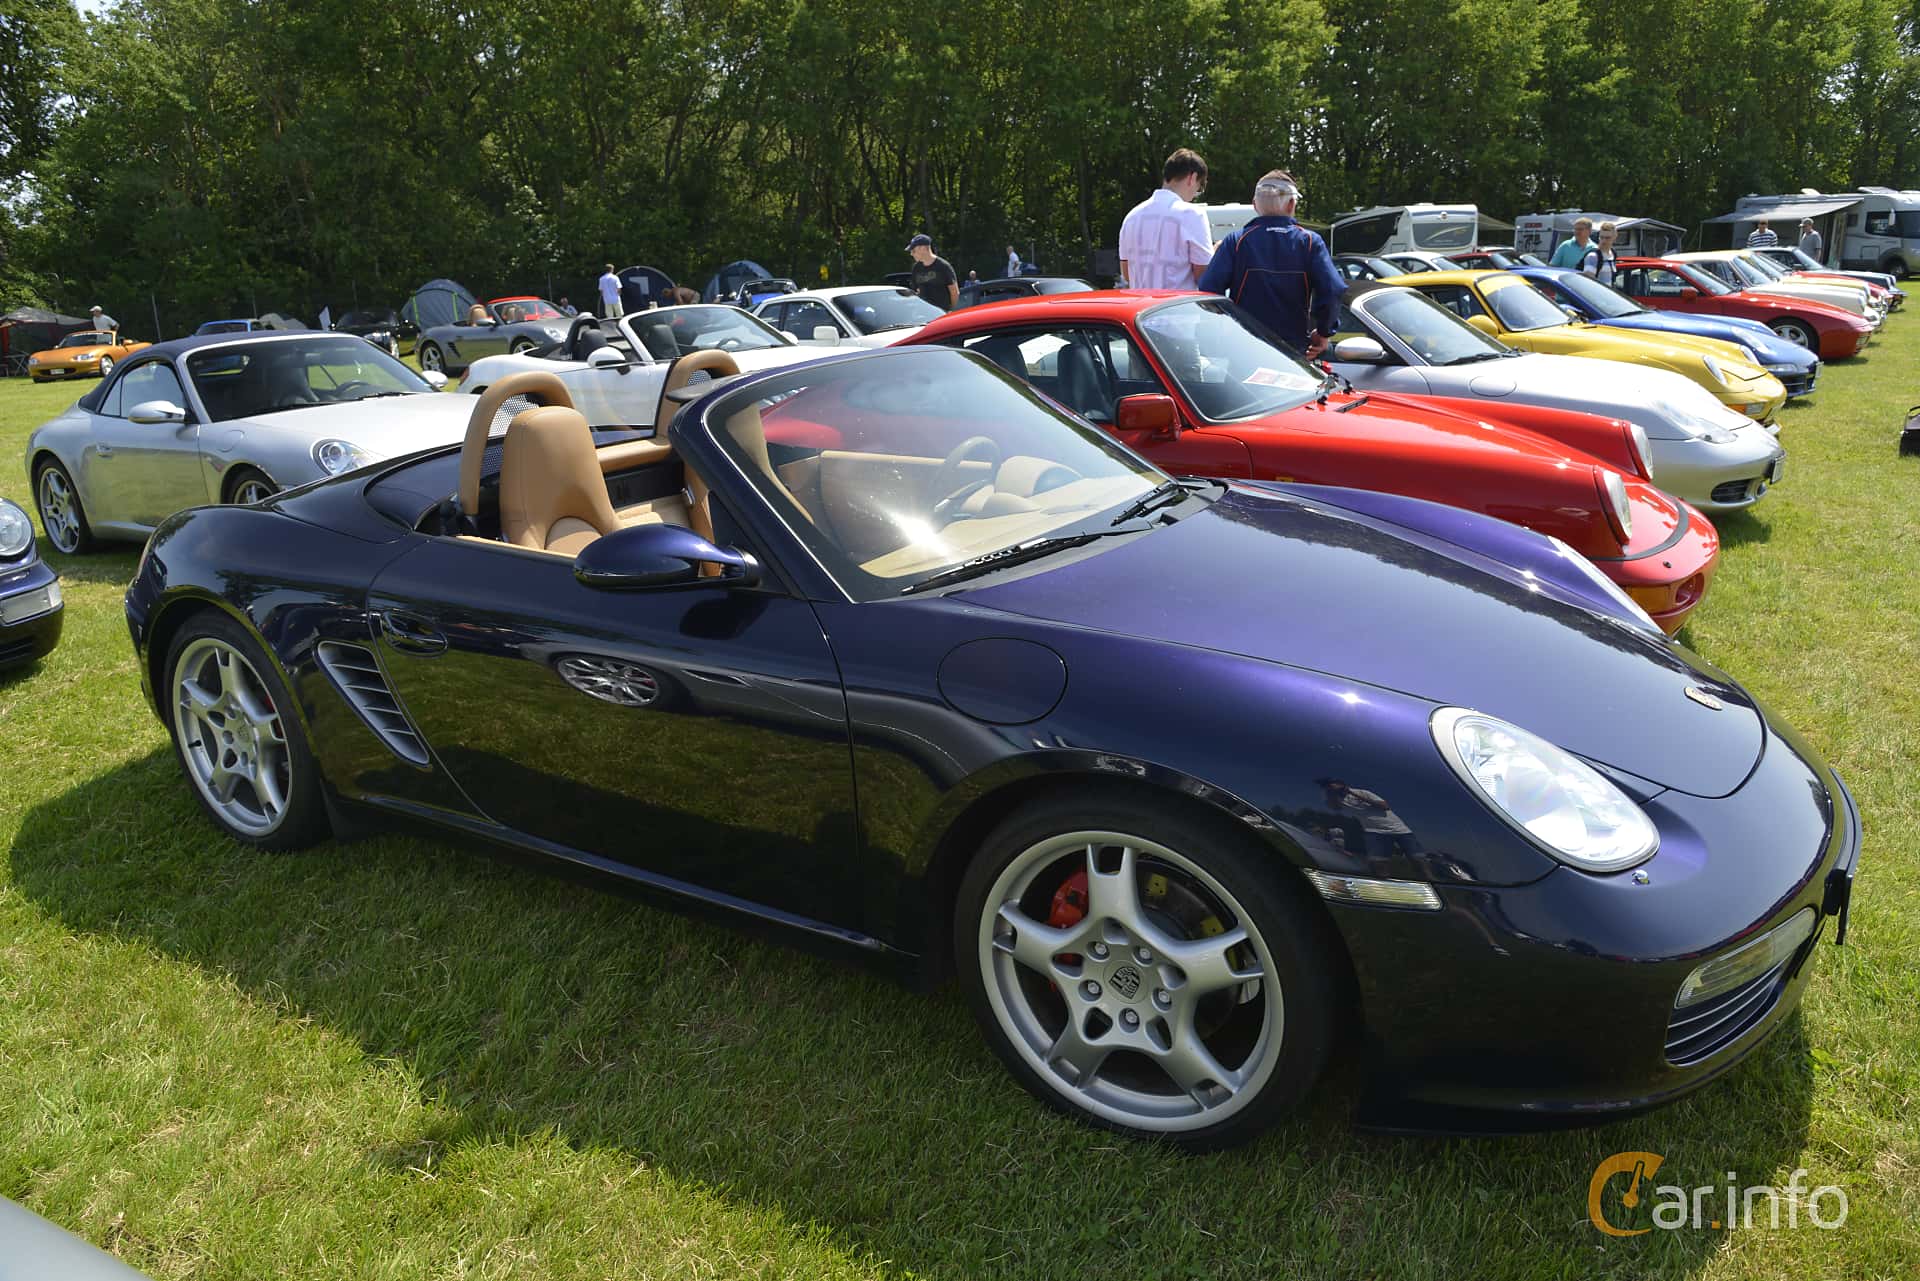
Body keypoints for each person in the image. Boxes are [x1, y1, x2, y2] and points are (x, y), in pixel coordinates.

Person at [1196, 170, 1344, 357]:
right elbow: (1333, 289)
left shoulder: (1236, 241)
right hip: (1292, 351)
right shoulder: (1309, 242)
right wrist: (1324, 332)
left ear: (1255, 205)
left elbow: (1208, 289)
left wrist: (1226, 328)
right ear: (1291, 204)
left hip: (1244, 348)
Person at [1117, 148, 1213, 289]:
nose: (1195, 195)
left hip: (1141, 302)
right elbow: (1204, 277)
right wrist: (1217, 253)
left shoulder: (1131, 217)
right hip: (1178, 302)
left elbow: (1127, 275)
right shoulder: (1193, 214)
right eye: (1199, 188)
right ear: (1192, 178)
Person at [905, 233, 958, 310]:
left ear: (923, 248)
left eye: (913, 251)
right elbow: (916, 291)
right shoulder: (916, 268)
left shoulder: (943, 266)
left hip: (941, 313)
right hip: (924, 312)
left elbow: (954, 292)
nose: (911, 254)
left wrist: (950, 311)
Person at [1579, 221, 1619, 285]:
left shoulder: (1613, 253)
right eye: (1601, 237)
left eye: (1607, 238)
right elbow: (1588, 282)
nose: (1604, 241)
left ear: (1615, 237)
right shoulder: (1593, 256)